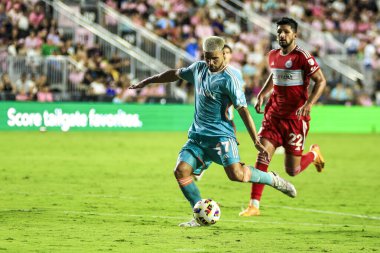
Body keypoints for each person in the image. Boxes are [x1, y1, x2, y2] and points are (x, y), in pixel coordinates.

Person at [129, 36, 297, 227]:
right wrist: (146, 82)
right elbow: (173, 74)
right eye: (207, 58)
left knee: (237, 175)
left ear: (223, 55)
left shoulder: (230, 79)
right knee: (181, 171)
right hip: (197, 137)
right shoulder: (198, 69)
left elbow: (243, 111)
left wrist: (255, 140)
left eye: (214, 58)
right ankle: (198, 215)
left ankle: (272, 179)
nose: (210, 62)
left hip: (221, 137)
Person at [239, 17, 326, 217]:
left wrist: (309, 103)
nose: (282, 35)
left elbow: (320, 81)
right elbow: (275, 75)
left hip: (295, 120)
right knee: (263, 155)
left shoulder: (303, 57)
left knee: (292, 171)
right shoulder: (273, 55)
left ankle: (314, 154)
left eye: (286, 31)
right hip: (273, 116)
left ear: (295, 34)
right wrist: (262, 94)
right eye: (279, 32)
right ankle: (254, 205)